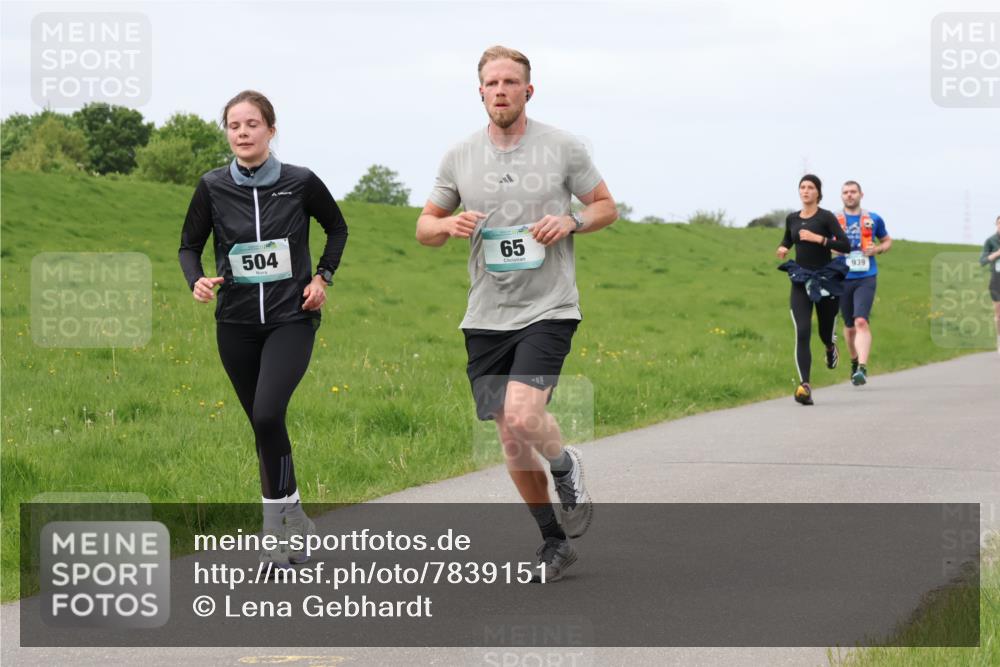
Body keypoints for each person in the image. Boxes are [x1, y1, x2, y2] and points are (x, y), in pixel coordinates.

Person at [415, 46, 617, 581]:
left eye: (511, 81)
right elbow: (424, 228)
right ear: (479, 92)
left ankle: (565, 464)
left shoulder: (562, 147)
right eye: (491, 83)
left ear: (530, 89)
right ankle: (555, 542)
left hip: (548, 307)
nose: (500, 90)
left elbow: (605, 206)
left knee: (527, 416)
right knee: (509, 437)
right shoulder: (459, 155)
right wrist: (448, 226)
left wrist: (571, 222)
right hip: (485, 315)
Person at [178, 90, 348, 568]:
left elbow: (337, 228)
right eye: (234, 126)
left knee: (269, 413)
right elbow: (188, 246)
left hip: (290, 318)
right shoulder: (212, 187)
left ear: (271, 130)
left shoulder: (300, 182)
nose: (243, 133)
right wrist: (196, 281)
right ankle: (295, 514)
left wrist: (322, 277)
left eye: (252, 124)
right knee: (261, 424)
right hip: (235, 323)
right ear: (227, 133)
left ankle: (272, 528)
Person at [776, 174, 851, 405]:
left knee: (825, 332)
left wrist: (819, 239)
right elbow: (789, 238)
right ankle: (805, 386)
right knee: (803, 330)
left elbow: (845, 245)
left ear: (818, 192)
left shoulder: (826, 217)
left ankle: (830, 347)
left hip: (825, 278)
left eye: (810, 187)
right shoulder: (792, 218)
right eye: (802, 187)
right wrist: (783, 247)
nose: (806, 191)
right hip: (801, 279)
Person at [835, 181, 892, 385]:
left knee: (861, 321)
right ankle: (854, 360)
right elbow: (822, 243)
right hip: (841, 276)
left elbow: (887, 241)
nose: (849, 195)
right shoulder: (833, 219)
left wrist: (877, 249)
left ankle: (862, 368)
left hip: (866, 275)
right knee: (849, 327)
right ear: (841, 196)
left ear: (861, 194)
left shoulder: (873, 218)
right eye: (845, 192)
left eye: (853, 192)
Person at [981, 215, 1000, 354]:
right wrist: (997, 254)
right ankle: (999, 340)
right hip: (997, 280)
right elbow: (982, 261)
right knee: (998, 314)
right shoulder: (991, 241)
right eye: (999, 223)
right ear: (996, 224)